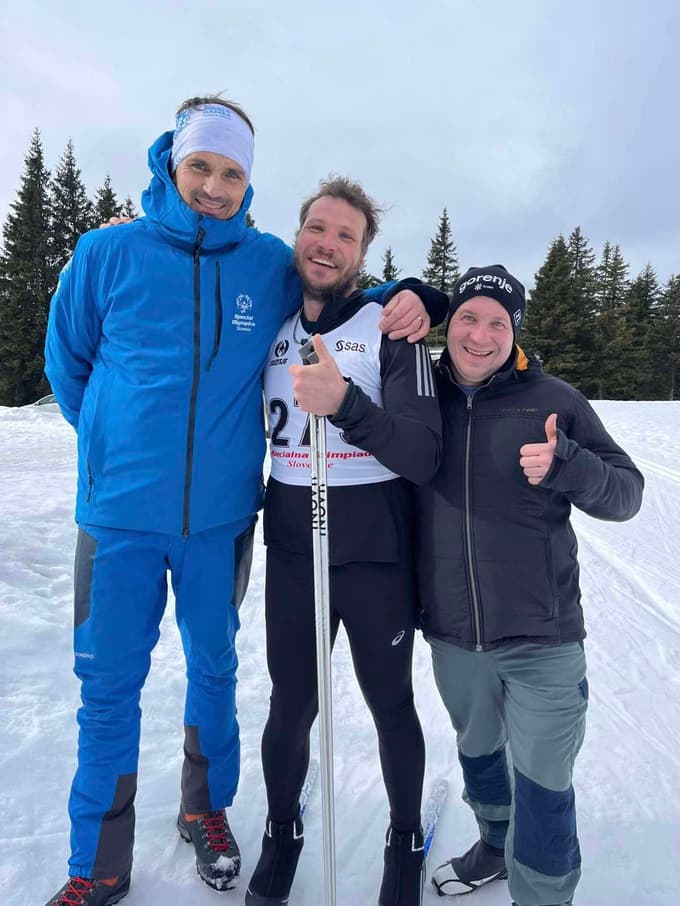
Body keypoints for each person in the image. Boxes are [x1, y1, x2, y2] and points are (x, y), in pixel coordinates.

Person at [43, 97, 443, 906]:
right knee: (108, 683)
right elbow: (69, 366)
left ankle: (205, 810)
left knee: (215, 670)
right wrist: (119, 447)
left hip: (220, 520)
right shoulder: (104, 253)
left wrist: (424, 296)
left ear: (249, 183)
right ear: (171, 164)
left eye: (232, 174)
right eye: (201, 167)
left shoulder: (264, 262)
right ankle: (99, 862)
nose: (214, 187)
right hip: (118, 516)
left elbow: (349, 287)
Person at [414, 265, 644, 906]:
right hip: (455, 637)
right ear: (449, 323)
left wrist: (569, 464)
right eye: (468, 317)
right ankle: (494, 843)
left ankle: (543, 897)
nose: (481, 335)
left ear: (514, 332)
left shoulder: (556, 399)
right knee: (480, 755)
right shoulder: (418, 396)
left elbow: (627, 494)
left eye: (497, 322)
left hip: (543, 638)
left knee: (543, 786)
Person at [245, 177, 443, 906]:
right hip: (295, 548)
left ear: (363, 254)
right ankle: (281, 829)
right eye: (318, 229)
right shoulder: (270, 322)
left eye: (345, 236)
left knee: (389, 700)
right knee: (291, 700)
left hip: (373, 554)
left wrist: (349, 405)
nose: (327, 244)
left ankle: (403, 835)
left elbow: (423, 452)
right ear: (299, 235)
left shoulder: (389, 330)